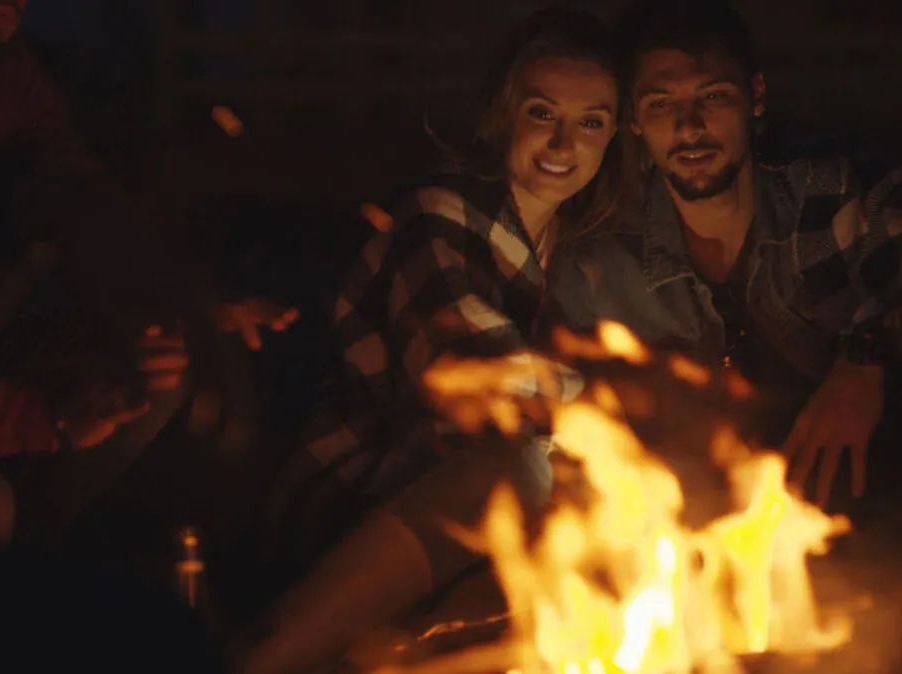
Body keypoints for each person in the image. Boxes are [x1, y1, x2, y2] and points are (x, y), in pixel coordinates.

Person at [237, 8, 626, 673]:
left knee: (582, 570)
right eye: (542, 114)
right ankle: (255, 658)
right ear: (504, 112)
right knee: (525, 472)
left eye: (590, 122)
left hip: (492, 520)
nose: (564, 144)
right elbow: (483, 386)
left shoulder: (584, 251)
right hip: (362, 495)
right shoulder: (440, 212)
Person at [543, 0, 902, 511]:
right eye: (661, 104)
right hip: (702, 518)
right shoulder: (601, 267)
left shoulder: (827, 198)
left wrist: (866, 361)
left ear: (756, 97)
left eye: (714, 96)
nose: (689, 127)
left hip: (874, 493)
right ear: (635, 121)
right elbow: (569, 424)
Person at [0, 0, 298, 548]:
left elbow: (79, 201)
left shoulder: (0, 72)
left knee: (150, 360)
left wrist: (178, 301)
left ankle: (25, 569)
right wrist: (39, 419)